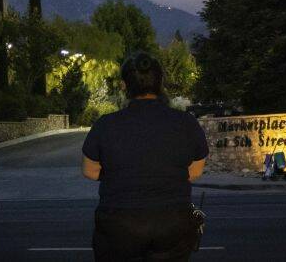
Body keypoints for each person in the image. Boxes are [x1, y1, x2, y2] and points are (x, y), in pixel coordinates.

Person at [82, 51, 209, 261]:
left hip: (119, 224)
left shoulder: (106, 124)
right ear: (161, 83)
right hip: (172, 223)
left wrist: (120, 174)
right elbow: (195, 171)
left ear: (124, 85)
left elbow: (90, 170)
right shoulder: (185, 123)